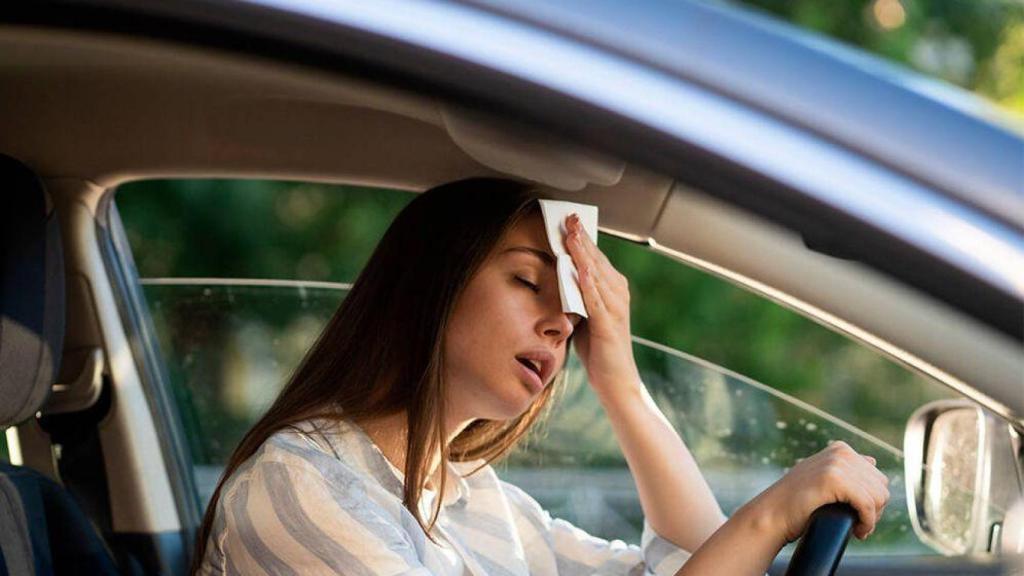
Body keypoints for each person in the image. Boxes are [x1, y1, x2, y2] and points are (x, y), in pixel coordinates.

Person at [192, 178, 890, 576]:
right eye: (528, 280)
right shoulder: (296, 489)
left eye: (575, 307)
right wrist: (772, 511)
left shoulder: (478, 504)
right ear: (433, 285)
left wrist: (619, 381)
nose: (563, 320)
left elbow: (693, 563)